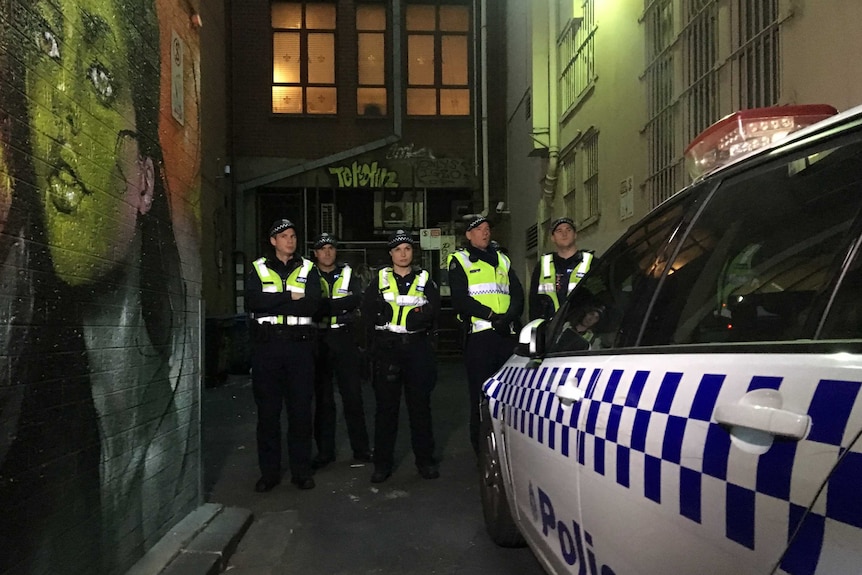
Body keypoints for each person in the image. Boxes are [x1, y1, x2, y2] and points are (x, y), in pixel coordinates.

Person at [246, 219, 323, 492]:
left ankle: (301, 472)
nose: (290, 240)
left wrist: (275, 301)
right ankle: (269, 473)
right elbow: (253, 302)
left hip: (299, 348)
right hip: (267, 348)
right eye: (284, 236)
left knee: (300, 412)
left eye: (293, 235)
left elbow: (313, 305)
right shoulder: (258, 268)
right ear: (273, 241)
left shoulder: (308, 268)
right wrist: (290, 296)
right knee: (268, 414)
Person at [361, 229, 440, 483]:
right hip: (388, 349)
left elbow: (434, 308)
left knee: (420, 408)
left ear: (412, 252)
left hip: (417, 348)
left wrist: (420, 317)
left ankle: (425, 461)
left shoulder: (425, 278)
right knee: (386, 409)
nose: (403, 253)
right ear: (391, 253)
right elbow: (366, 313)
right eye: (398, 249)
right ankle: (382, 464)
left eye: (407, 249)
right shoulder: (379, 280)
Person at [448, 216, 524, 455]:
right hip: (480, 338)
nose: (485, 232)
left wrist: (508, 318)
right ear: (468, 235)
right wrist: (493, 316)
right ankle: (482, 452)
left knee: (510, 395)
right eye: (479, 229)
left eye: (487, 228)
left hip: (506, 336)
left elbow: (518, 294)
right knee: (481, 398)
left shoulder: (502, 259)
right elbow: (460, 300)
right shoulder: (459, 260)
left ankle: (512, 449)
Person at [311, 232, 372, 470]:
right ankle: (325, 452)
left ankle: (362, 449)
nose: (327, 252)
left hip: (345, 339)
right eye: (322, 248)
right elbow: (310, 305)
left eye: (331, 248)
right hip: (319, 339)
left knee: (353, 397)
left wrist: (324, 306)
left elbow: (356, 300)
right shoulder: (308, 273)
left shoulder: (348, 273)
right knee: (324, 400)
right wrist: (335, 307)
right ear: (315, 253)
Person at [529, 217, 595, 321]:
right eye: (559, 231)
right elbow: (534, 302)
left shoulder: (590, 262)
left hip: (580, 329)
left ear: (575, 235)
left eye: (568, 230)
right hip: (549, 330)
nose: (564, 234)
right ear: (553, 238)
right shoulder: (543, 264)